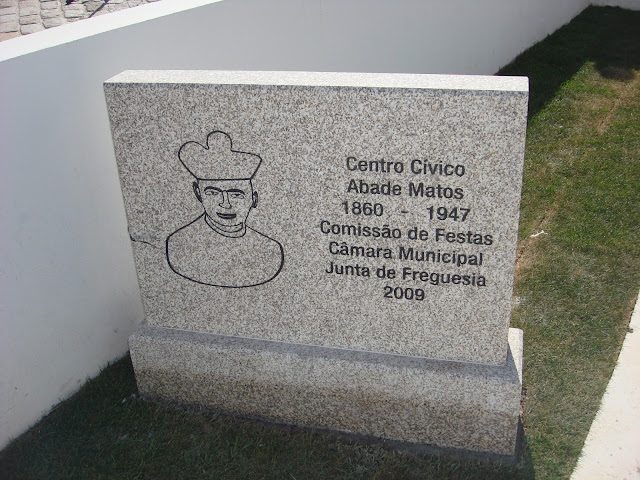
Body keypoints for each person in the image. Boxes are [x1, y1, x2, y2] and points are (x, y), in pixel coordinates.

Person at [166, 130, 284, 288]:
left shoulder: (270, 251)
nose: (225, 204)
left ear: (253, 199)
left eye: (236, 194)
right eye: (213, 193)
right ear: (198, 193)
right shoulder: (179, 245)